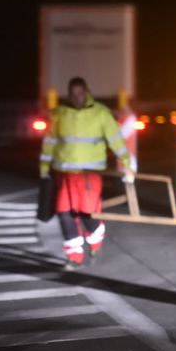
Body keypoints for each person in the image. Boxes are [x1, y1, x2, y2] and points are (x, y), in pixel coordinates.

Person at [40, 77, 134, 268]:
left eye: (80, 93)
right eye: (73, 94)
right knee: (64, 213)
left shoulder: (100, 114)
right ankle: (75, 257)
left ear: (87, 92)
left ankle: (96, 239)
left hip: (89, 175)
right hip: (65, 174)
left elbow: (116, 141)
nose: (77, 98)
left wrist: (127, 166)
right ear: (69, 94)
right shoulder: (60, 114)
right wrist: (44, 169)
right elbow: (49, 143)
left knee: (86, 214)